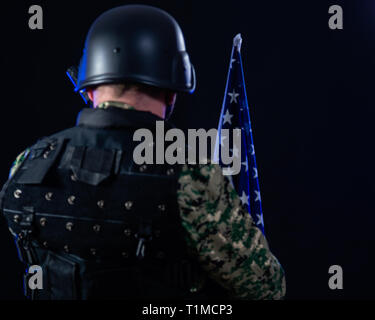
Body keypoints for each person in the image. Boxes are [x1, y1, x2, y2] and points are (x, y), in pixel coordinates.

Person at [0, 5, 285, 300]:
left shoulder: (29, 164)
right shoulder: (189, 175)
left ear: (88, 88)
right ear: (172, 92)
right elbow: (267, 287)